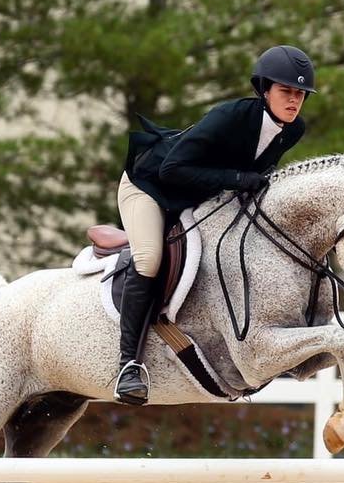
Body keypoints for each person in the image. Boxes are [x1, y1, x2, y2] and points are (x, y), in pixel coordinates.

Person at [114, 44, 316, 405]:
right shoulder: (230, 116)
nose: (294, 100)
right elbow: (171, 169)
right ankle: (128, 365)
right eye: (286, 91)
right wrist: (239, 177)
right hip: (148, 186)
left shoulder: (292, 129)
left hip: (194, 194)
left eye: (300, 93)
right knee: (149, 259)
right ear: (264, 90)